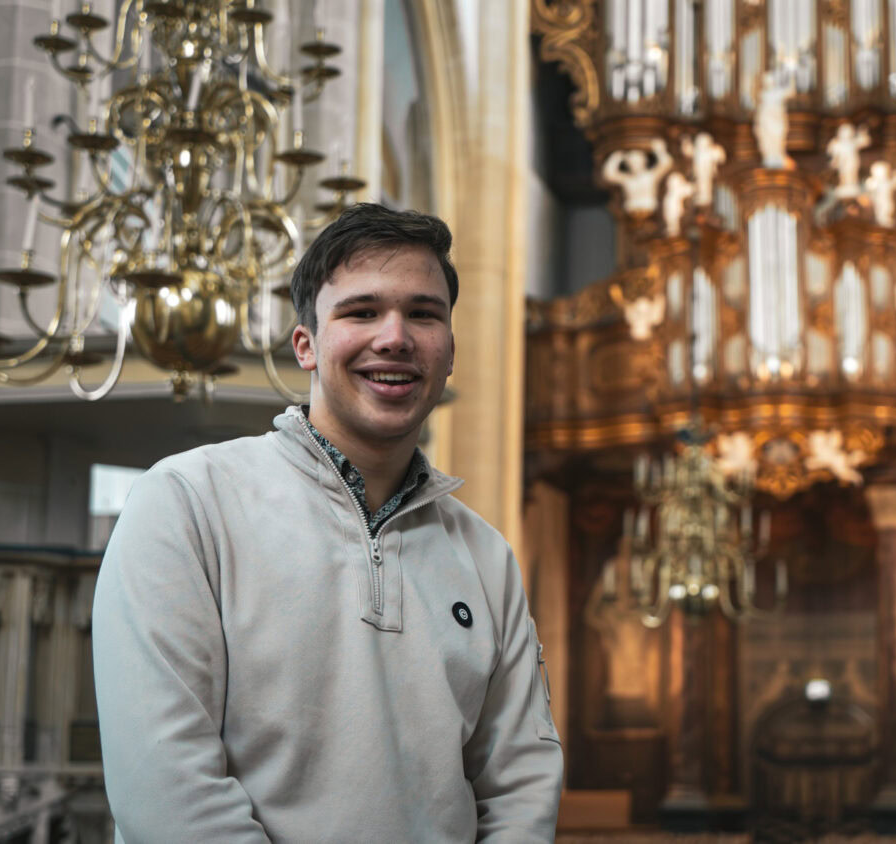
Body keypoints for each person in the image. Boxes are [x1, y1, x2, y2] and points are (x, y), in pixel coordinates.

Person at [93, 203, 565, 842]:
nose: (394, 337)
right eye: (361, 311)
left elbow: (521, 783)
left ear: (450, 351)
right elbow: (165, 786)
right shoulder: (185, 501)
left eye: (423, 314)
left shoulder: (486, 556)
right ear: (307, 345)